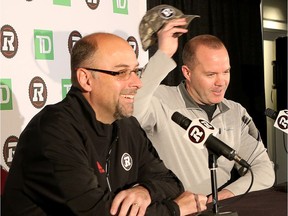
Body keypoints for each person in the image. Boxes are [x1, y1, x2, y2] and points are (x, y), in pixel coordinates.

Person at [2, 32, 208, 216]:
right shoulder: (53, 131)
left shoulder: (127, 125)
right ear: (86, 79)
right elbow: (96, 211)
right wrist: (174, 210)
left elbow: (170, 182)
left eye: (136, 71)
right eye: (121, 72)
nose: (137, 83)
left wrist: (145, 191)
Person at [134, 18, 275, 202]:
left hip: (221, 207)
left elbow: (263, 169)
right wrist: (163, 54)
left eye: (226, 72)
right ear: (187, 72)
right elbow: (131, 109)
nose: (221, 82)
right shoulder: (159, 99)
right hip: (174, 209)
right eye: (211, 74)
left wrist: (224, 196)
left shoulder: (235, 111)